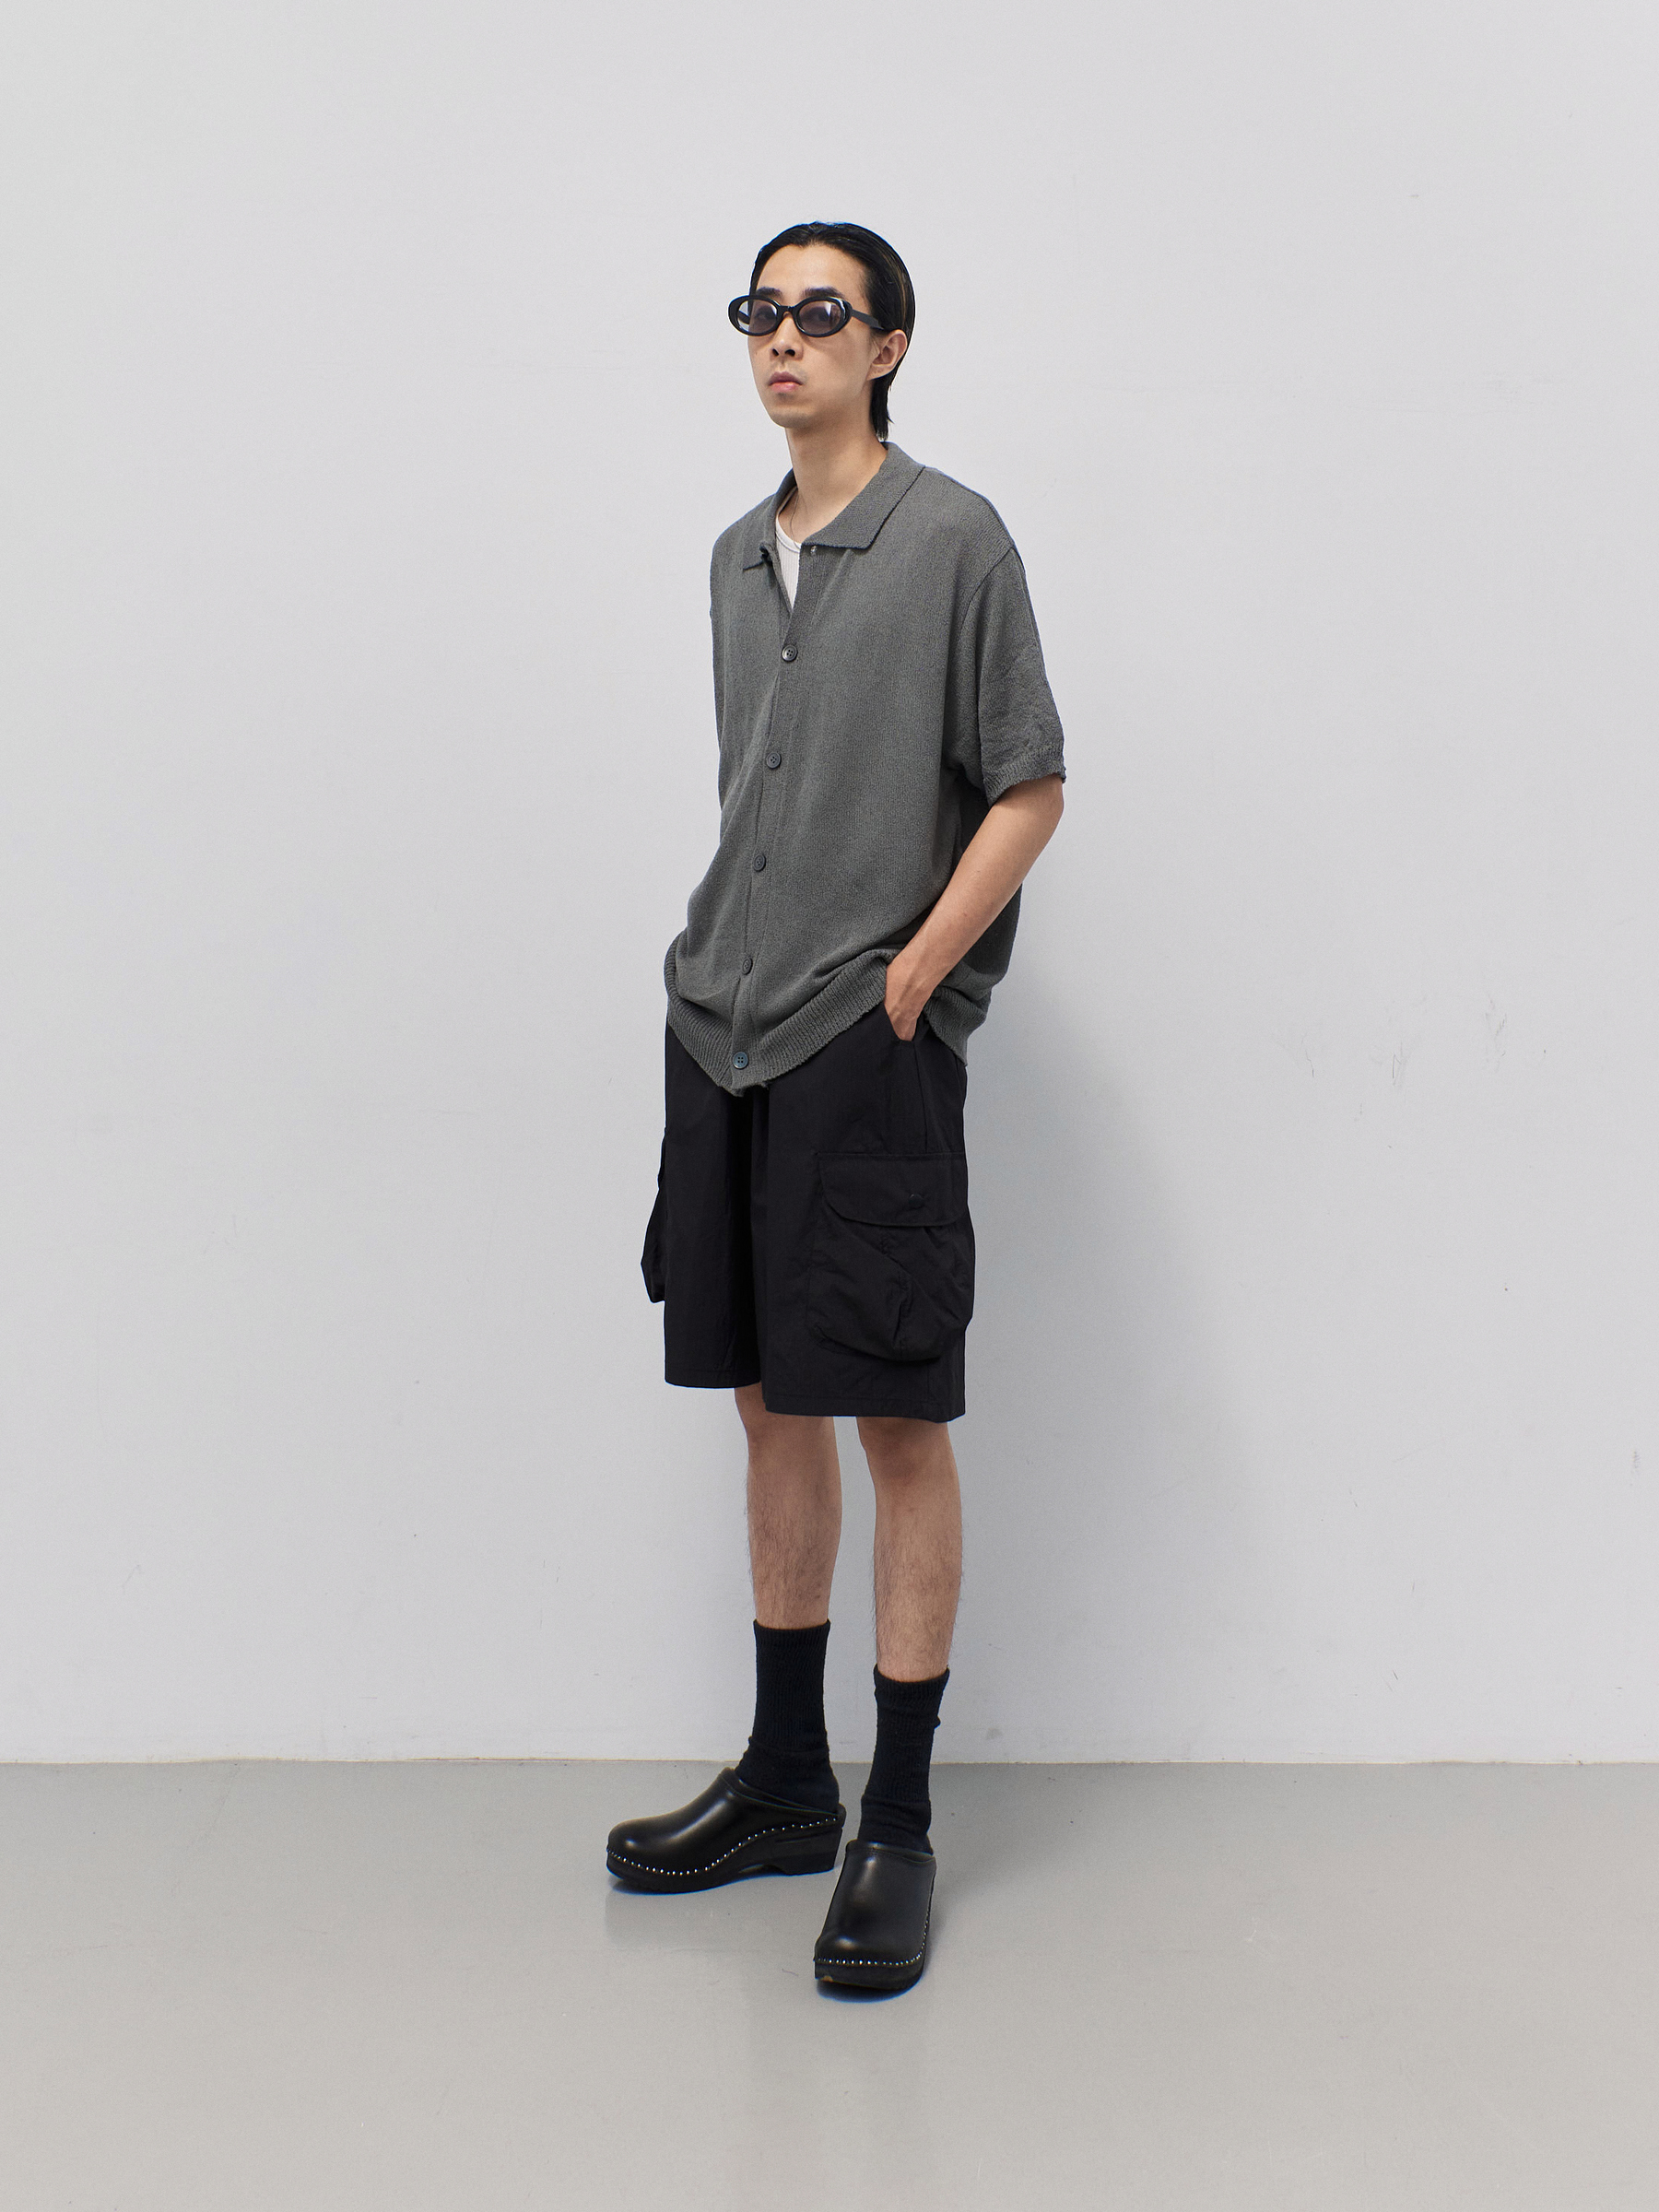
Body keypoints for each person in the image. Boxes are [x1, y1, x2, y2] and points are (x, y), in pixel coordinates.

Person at [607, 220, 1066, 1994]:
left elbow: (1027, 782)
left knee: (893, 1417)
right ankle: (788, 1783)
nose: (783, 339)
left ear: (887, 347)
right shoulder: (737, 559)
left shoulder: (954, 540)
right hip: (717, 1028)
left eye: (821, 313)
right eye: (762, 312)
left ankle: (901, 1824)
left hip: (860, 1043)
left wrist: (918, 971)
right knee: (762, 1403)